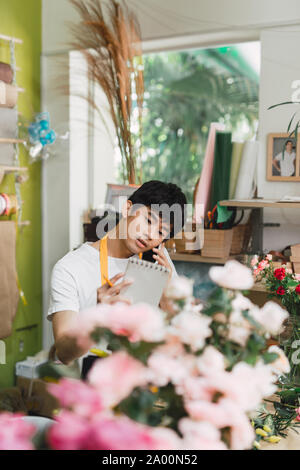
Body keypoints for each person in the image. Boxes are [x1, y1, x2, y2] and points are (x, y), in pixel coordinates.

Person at [47, 180, 187, 374]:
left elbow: (180, 340)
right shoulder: (70, 268)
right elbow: (63, 352)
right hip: (93, 385)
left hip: (143, 381)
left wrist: (168, 300)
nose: (149, 235)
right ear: (128, 208)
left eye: (161, 232)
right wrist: (98, 319)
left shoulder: (160, 264)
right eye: (148, 221)